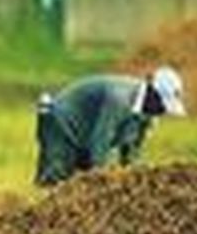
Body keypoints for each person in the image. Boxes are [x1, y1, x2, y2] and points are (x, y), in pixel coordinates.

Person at [34, 66, 186, 186]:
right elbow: (99, 145)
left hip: (86, 134)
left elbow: (131, 154)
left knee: (82, 185)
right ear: (153, 93)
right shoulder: (119, 99)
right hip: (62, 124)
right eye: (162, 106)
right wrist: (107, 184)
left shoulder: (147, 115)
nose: (162, 112)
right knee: (56, 180)